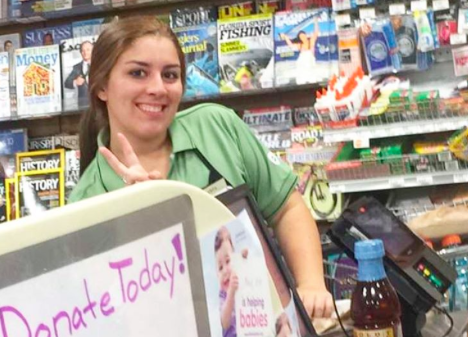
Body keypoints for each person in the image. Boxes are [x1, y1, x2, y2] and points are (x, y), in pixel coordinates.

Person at [69, 16, 333, 319]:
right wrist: (145, 221)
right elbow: (108, 316)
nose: (157, 88)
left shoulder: (217, 127)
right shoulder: (86, 201)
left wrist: (311, 284)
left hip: (270, 334)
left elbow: (286, 207)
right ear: (101, 86)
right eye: (138, 73)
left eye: (170, 75)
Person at [215, 226, 250, 337]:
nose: (225, 271)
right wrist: (230, 293)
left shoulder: (239, 285)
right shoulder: (223, 295)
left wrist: (243, 258)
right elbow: (225, 321)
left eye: (228, 261)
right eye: (220, 267)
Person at [64, 40, 94, 108]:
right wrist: (75, 82)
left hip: (98, 103)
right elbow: (67, 83)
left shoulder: (99, 65)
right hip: (83, 105)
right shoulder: (77, 67)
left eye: (88, 50)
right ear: (80, 53)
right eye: (83, 51)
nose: (85, 52)